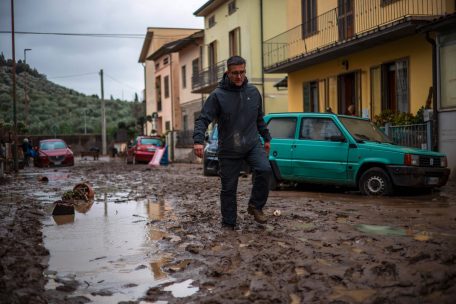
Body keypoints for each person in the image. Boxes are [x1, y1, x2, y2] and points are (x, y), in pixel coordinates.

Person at [193, 56, 272, 230]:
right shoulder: (217, 95)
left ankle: (255, 206)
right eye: (235, 73)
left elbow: (259, 118)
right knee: (229, 188)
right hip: (229, 149)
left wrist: (266, 138)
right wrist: (198, 141)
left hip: (251, 143)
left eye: (242, 72)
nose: (239, 76)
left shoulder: (253, 93)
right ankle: (229, 224)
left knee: (264, 169)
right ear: (227, 73)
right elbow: (203, 119)